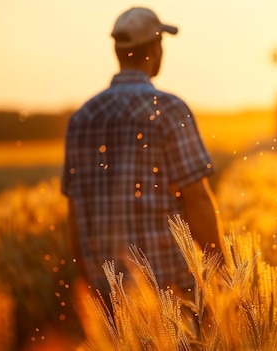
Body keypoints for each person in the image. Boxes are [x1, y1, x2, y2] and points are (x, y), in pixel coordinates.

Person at [61, 7, 223, 297]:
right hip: (169, 288)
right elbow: (196, 198)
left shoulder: (81, 119)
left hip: (108, 290)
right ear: (153, 48)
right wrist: (222, 270)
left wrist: (93, 283)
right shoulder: (169, 111)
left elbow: (75, 212)